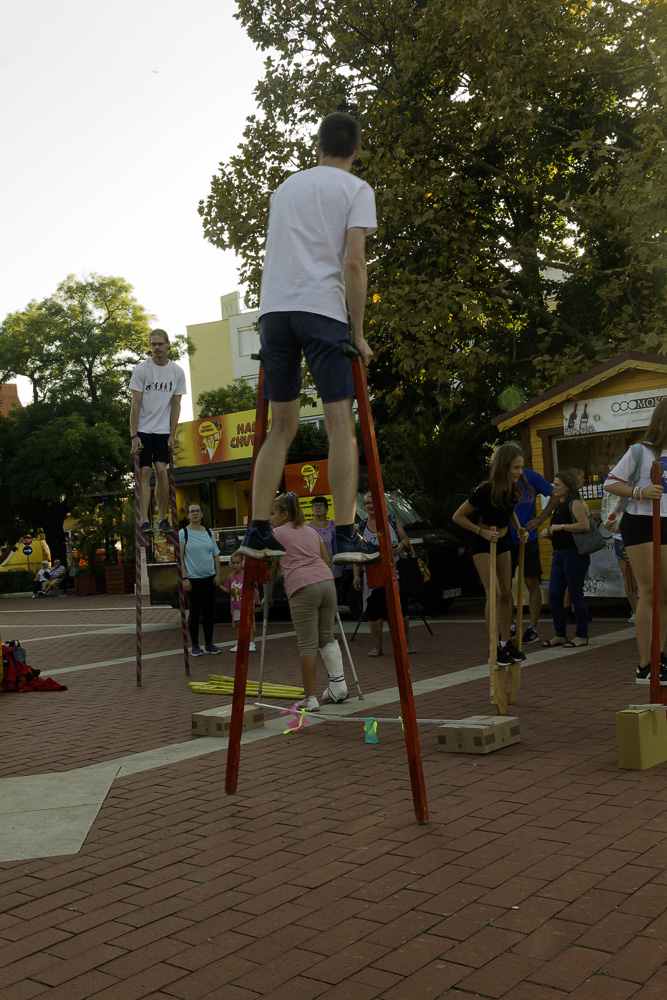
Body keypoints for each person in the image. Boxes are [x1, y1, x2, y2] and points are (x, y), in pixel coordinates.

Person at [238, 112, 379, 567]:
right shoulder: (356, 190)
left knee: (281, 427)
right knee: (340, 424)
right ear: (357, 150)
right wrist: (358, 333)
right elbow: (353, 263)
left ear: (317, 146)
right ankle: (345, 535)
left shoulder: (285, 189)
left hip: (273, 312)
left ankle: (258, 529)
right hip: (321, 311)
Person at [604, 400, 667, 683]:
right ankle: (646, 664)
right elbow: (610, 482)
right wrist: (641, 492)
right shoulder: (640, 450)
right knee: (650, 591)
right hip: (641, 523)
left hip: (666, 521)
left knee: (665, 593)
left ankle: (660, 656)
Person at [270, 492, 348, 712]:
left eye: (272, 513)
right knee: (326, 637)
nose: (270, 518)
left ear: (285, 514)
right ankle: (338, 686)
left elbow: (269, 565)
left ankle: (310, 698)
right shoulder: (311, 530)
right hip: (326, 582)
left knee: (307, 644)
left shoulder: (275, 533)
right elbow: (326, 559)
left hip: (303, 586)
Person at [452, 443, 528, 667]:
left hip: (502, 540)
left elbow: (509, 511)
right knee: (493, 592)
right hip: (482, 542)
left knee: (506, 592)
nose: (519, 472)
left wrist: (518, 528)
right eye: (516, 467)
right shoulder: (483, 490)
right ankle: (493, 646)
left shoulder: (513, 490)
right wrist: (481, 532)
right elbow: (457, 516)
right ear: (504, 466)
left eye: (521, 467)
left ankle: (505, 642)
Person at [130, 329, 186, 535]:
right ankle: (145, 520)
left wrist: (172, 434)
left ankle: (162, 518)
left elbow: (176, 405)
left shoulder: (177, 372)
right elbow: (135, 404)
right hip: (143, 428)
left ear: (168, 345)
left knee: (162, 471)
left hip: (163, 430)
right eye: (153, 344)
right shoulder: (142, 370)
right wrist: (134, 435)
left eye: (160, 344)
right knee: (145, 471)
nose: (156, 348)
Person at [506, 443, 556, 644]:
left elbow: (555, 494)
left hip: (529, 538)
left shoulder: (532, 477)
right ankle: (509, 626)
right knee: (504, 585)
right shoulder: (501, 478)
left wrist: (540, 519)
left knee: (531, 582)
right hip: (505, 538)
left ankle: (533, 628)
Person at [353, 492, 415, 656]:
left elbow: (405, 539)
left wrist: (401, 546)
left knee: (401, 610)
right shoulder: (362, 525)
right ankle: (377, 646)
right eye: (367, 503)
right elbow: (358, 554)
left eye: (373, 502)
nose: (371, 506)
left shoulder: (392, 520)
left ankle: (406, 644)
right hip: (373, 576)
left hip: (395, 573)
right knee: (374, 612)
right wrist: (356, 575)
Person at [540, 471, 592, 649]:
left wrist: (561, 526)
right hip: (559, 554)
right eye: (554, 484)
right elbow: (563, 531)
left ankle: (581, 635)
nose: (554, 488)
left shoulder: (574, 503)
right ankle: (560, 634)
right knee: (554, 595)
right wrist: (550, 534)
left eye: (557, 485)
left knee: (575, 594)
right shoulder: (559, 506)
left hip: (574, 554)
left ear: (567, 487)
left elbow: (584, 525)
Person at [179, 503, 221, 656]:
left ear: (202, 514)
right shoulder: (183, 533)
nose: (195, 513)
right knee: (195, 612)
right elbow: (180, 558)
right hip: (193, 579)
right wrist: (184, 578)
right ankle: (195, 646)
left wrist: (218, 574)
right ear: (188, 515)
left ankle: (209, 643)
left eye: (197, 511)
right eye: (192, 511)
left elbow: (215, 554)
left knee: (209, 612)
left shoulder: (208, 532)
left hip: (209, 578)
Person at [601, 458, 639, 623]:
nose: (614, 475)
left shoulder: (636, 484)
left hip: (640, 534)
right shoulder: (610, 487)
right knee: (629, 577)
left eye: (616, 471)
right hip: (620, 536)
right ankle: (637, 612)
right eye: (611, 472)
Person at [221, 551, 258, 653]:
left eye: (237, 563)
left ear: (242, 563)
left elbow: (252, 590)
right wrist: (219, 585)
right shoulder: (230, 576)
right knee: (239, 624)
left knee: (248, 623)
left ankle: (251, 643)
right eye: (233, 563)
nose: (235, 565)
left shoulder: (247, 575)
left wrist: (253, 602)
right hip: (236, 605)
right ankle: (240, 643)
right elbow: (228, 590)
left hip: (247, 604)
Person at [308, 496, 343, 600]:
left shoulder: (333, 524)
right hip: (314, 570)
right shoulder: (306, 528)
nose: (318, 507)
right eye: (315, 505)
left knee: (333, 599)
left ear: (327, 510)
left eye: (321, 505)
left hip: (334, 568)